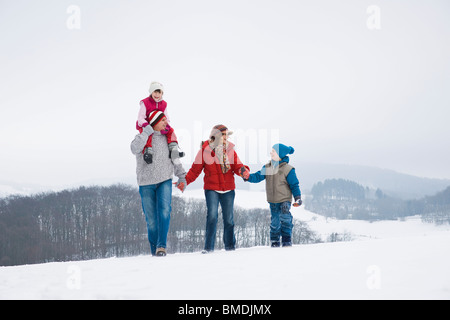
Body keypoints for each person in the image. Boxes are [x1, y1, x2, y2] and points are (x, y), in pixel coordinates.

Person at [181, 124, 250, 253]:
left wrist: (243, 171)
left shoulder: (230, 150)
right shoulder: (204, 150)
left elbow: (237, 166)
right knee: (212, 217)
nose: (226, 137)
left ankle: (230, 247)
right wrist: (184, 181)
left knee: (229, 219)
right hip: (212, 189)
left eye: (227, 135)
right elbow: (195, 170)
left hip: (228, 189)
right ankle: (208, 248)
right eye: (223, 135)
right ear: (216, 136)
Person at [130, 110, 187, 256]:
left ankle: (161, 246)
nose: (166, 123)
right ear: (155, 122)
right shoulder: (143, 137)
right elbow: (134, 148)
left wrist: (181, 176)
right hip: (146, 183)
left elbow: (175, 158)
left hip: (164, 180)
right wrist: (146, 132)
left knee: (165, 211)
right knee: (151, 220)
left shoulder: (167, 138)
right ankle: (154, 249)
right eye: (163, 121)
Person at [244, 143, 302, 247]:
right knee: (275, 222)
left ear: (280, 155)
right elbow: (258, 177)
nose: (271, 153)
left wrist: (297, 198)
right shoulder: (268, 167)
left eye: (273, 151)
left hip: (284, 200)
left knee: (285, 218)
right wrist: (248, 177)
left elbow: (294, 185)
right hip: (273, 201)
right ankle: (274, 241)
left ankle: (286, 239)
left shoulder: (288, 169)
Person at [136, 81, 182, 164]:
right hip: (146, 124)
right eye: (155, 92)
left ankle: (173, 149)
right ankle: (148, 152)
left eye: (159, 92)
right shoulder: (145, 103)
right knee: (148, 134)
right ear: (151, 92)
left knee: (170, 131)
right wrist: (146, 125)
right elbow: (140, 117)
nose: (157, 95)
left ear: (162, 93)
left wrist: (166, 124)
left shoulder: (163, 104)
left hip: (158, 125)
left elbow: (166, 116)